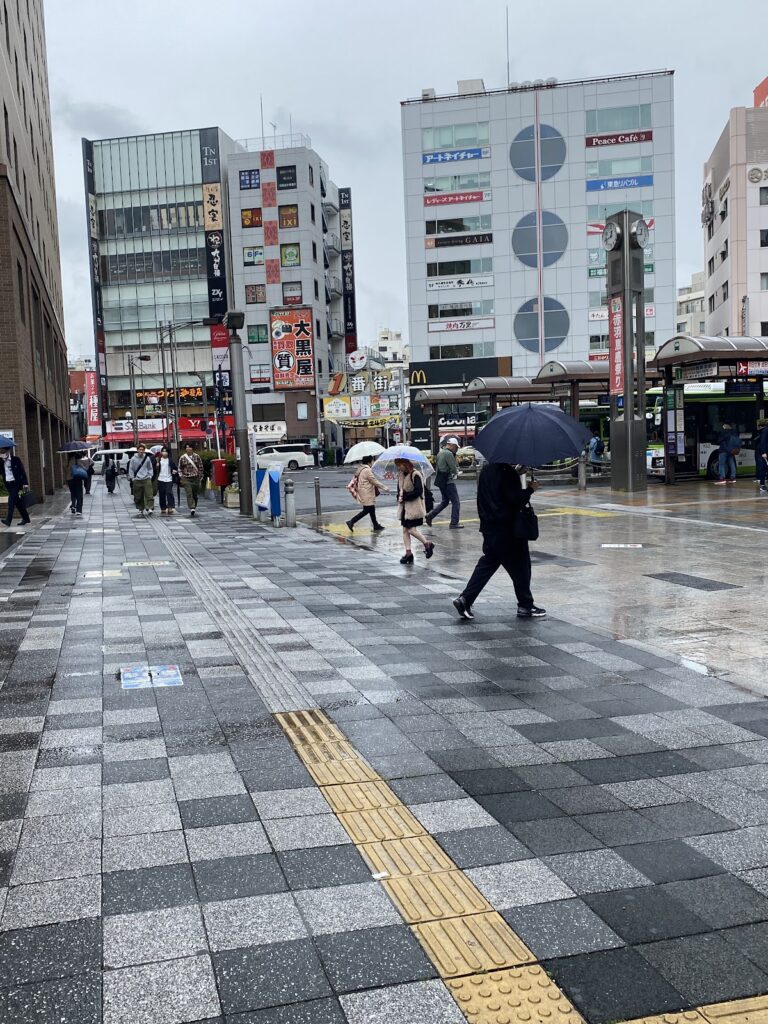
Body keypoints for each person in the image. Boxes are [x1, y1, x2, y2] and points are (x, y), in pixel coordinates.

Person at [453, 463, 545, 621]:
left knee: (487, 564)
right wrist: (531, 488)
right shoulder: (507, 472)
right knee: (521, 566)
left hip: (489, 526)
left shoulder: (487, 470)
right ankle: (526, 605)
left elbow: (498, 491)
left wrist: (515, 473)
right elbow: (515, 499)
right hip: (508, 529)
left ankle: (465, 599)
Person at [396, 457, 435, 564]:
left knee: (411, 530)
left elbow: (419, 491)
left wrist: (405, 496)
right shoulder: (401, 475)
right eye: (397, 465)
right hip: (404, 508)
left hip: (414, 508)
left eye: (399, 465)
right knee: (405, 530)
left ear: (405, 464)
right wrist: (399, 496)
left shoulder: (415, 474)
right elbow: (399, 490)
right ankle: (408, 553)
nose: (398, 467)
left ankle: (427, 544)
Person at [427, 437, 462, 529]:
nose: (456, 449)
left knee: (445, 501)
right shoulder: (448, 454)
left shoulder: (440, 453)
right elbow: (453, 468)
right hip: (448, 481)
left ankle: (430, 515)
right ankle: (454, 523)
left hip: (441, 481)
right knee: (456, 502)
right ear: (452, 445)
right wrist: (457, 472)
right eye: (456, 447)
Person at [346, 455, 388, 533]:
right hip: (367, 492)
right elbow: (374, 481)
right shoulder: (367, 470)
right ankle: (351, 521)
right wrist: (384, 487)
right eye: (372, 461)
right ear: (369, 462)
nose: (373, 462)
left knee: (371, 509)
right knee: (367, 510)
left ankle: (375, 525)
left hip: (364, 491)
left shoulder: (361, 469)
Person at [1, 447, 31, 527]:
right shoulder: (1, 461)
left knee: (11, 501)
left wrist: (25, 483)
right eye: (0, 452)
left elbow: (22, 471)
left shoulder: (16, 460)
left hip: (16, 484)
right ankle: (26, 518)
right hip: (8, 484)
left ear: (8, 452)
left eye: (3, 451)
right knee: (18, 503)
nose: (2, 453)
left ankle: (8, 520)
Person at [127, 443, 156, 516]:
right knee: (138, 495)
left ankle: (149, 507)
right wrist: (132, 478)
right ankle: (140, 509)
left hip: (146, 478)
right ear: (137, 450)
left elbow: (150, 468)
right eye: (139, 449)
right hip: (137, 479)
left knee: (149, 494)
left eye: (142, 450)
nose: (141, 451)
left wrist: (150, 475)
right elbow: (131, 468)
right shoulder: (133, 459)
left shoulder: (147, 458)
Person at [178, 444, 204, 516]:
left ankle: (194, 506)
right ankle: (191, 507)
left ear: (192, 448)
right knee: (189, 493)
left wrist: (200, 476)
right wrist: (181, 477)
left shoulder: (197, 456)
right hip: (186, 478)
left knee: (195, 494)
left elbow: (201, 467)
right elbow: (179, 468)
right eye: (187, 447)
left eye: (190, 447)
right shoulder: (182, 457)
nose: (188, 448)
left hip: (195, 478)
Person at [156, 446, 178, 515]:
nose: (164, 452)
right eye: (163, 451)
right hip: (160, 478)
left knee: (169, 493)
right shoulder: (158, 460)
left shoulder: (170, 460)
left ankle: (170, 507)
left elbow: (175, 468)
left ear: (168, 453)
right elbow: (155, 469)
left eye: (165, 451)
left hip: (169, 478)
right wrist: (157, 466)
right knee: (162, 493)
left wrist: (174, 471)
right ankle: (163, 507)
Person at [759, 419, 768, 495]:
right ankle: (762, 485)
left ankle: (763, 485)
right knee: (764, 468)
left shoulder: (765, 430)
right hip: (766, 453)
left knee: (764, 468)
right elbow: (763, 442)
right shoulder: (766, 430)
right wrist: (764, 452)